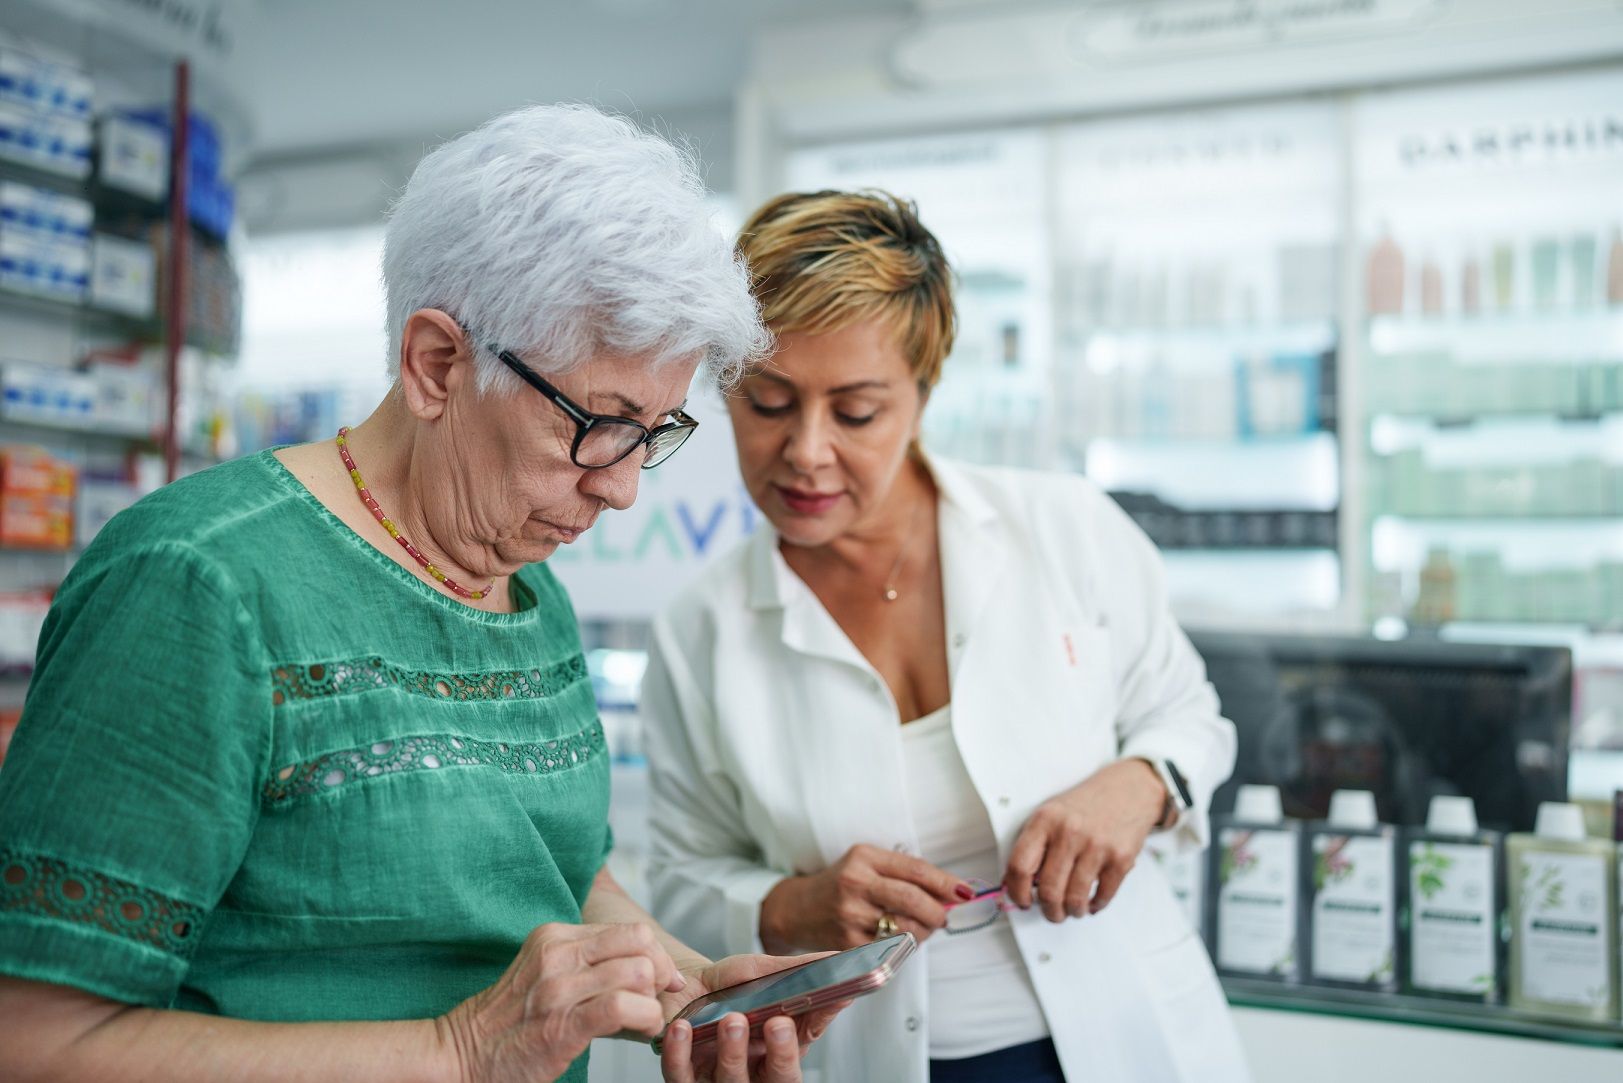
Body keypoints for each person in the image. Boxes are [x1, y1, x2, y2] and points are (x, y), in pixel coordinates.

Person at [0, 106, 845, 1083]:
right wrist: (462, 1051)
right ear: (437, 364)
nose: (622, 485)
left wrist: (690, 995)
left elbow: (559, 875)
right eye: (601, 425)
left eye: (655, 432)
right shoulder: (197, 588)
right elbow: (34, 1038)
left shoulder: (528, 584)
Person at [640, 190, 1252, 1083]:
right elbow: (681, 877)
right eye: (767, 403)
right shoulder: (701, 629)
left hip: (1126, 1034)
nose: (806, 451)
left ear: (922, 393)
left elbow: (1188, 714)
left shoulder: (1064, 526)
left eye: (855, 412)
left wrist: (1141, 781)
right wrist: (792, 902)